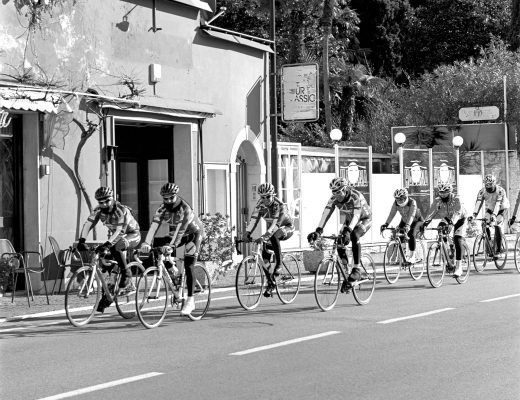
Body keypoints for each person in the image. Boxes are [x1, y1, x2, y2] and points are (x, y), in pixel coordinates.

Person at [140, 182, 204, 316]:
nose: (168, 201)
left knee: (189, 264)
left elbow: (180, 231)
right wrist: (146, 243)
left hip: (193, 234)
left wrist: (171, 246)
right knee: (160, 248)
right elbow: (153, 226)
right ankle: (173, 271)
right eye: (165, 198)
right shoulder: (162, 209)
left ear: (176, 196)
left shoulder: (184, 209)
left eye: (171, 198)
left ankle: (190, 301)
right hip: (177, 234)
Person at [76, 186, 141, 311]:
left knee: (115, 247)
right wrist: (81, 241)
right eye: (101, 202)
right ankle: (110, 290)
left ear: (113, 199)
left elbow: (119, 231)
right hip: (117, 236)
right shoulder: (98, 210)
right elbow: (88, 224)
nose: (105, 204)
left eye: (107, 201)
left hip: (132, 234)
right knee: (105, 258)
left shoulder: (121, 211)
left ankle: (127, 273)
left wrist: (107, 244)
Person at [307, 177, 372, 292]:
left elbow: (357, 215)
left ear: (346, 189)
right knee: (339, 242)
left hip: (364, 218)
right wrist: (318, 231)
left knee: (354, 235)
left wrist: (348, 230)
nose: (336, 195)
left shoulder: (355, 196)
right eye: (334, 192)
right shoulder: (334, 199)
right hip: (350, 220)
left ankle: (356, 269)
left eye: (338, 192)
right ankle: (347, 272)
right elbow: (325, 214)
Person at [243, 183, 295, 297]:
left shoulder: (280, 205)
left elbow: (276, 224)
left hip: (286, 227)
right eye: (262, 197)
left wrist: (264, 236)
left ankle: (279, 264)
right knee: (264, 256)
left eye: (268, 196)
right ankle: (271, 282)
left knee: (273, 235)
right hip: (272, 230)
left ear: (273, 195)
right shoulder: (260, 205)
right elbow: (253, 219)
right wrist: (247, 233)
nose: (265, 199)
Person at [423, 182, 466, 277]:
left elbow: (457, 213)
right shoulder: (437, 200)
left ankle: (459, 268)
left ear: (450, 192)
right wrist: (425, 224)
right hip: (447, 218)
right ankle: (449, 251)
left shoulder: (456, 199)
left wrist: (451, 223)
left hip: (459, 218)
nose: (442, 194)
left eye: (445, 192)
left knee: (457, 238)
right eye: (441, 192)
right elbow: (431, 213)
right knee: (441, 229)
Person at [467, 174, 510, 257]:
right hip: (491, 208)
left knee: (497, 224)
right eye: (486, 184)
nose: (488, 186)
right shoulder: (482, 191)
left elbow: (498, 204)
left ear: (494, 183)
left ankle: (499, 250)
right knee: (484, 223)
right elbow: (478, 203)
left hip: (502, 208)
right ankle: (489, 244)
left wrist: (494, 215)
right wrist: (474, 215)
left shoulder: (500, 190)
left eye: (490, 184)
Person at [380, 188, 424, 263]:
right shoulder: (396, 203)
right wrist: (386, 224)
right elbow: (392, 214)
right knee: (399, 234)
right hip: (404, 220)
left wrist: (408, 225)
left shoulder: (412, 202)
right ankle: (402, 255)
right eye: (397, 199)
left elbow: (412, 215)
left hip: (416, 220)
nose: (399, 201)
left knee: (410, 234)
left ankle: (412, 256)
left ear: (405, 198)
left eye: (401, 199)